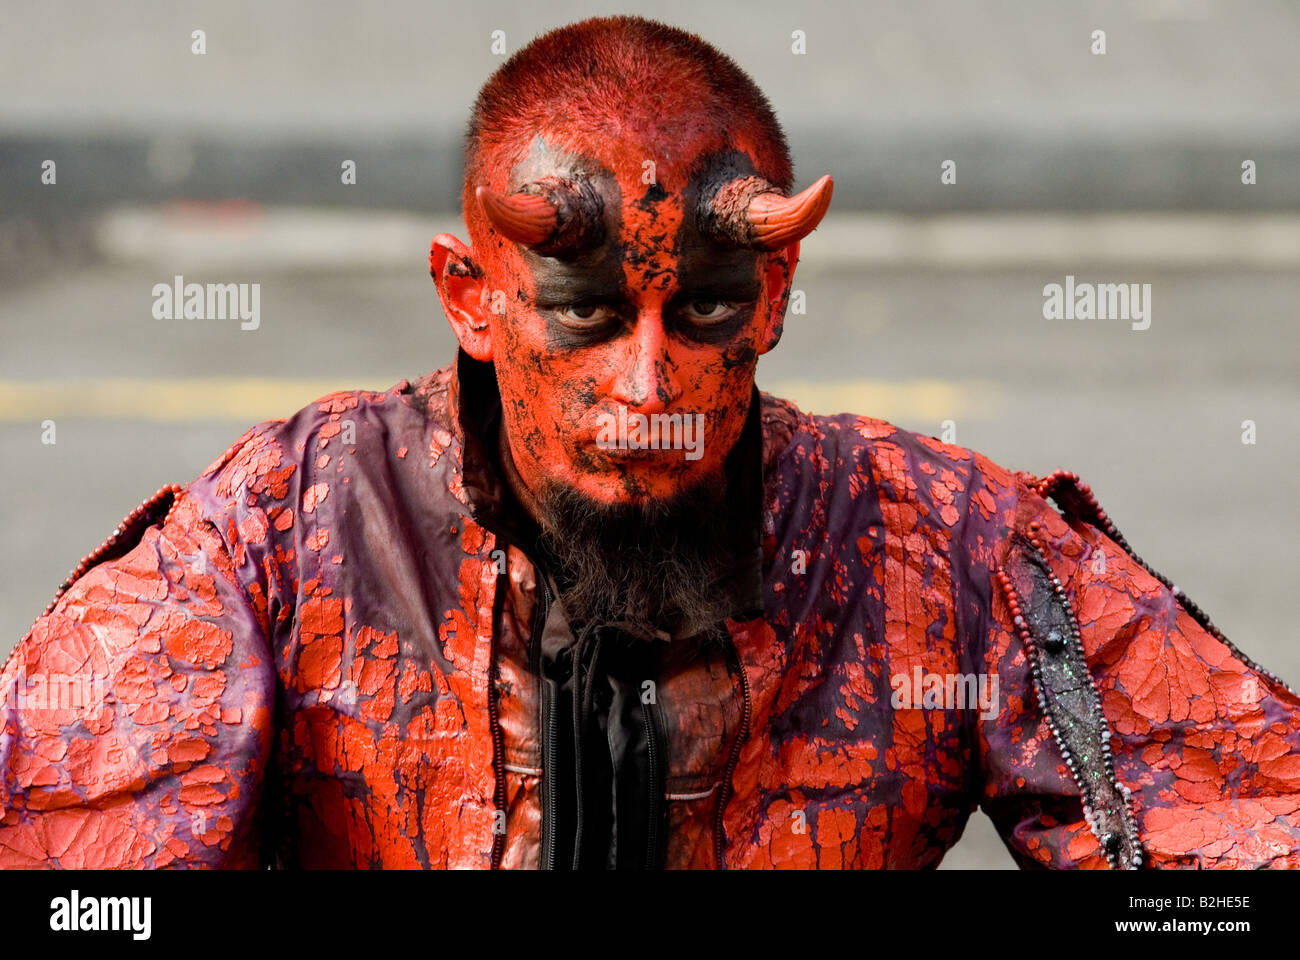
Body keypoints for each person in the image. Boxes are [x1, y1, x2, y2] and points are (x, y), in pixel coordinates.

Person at [3, 14, 1298, 870]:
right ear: (472, 299)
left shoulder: (950, 549)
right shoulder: (279, 536)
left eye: (707, 310)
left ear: (776, 300)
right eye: (586, 313)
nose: (650, 377)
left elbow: (1236, 851)